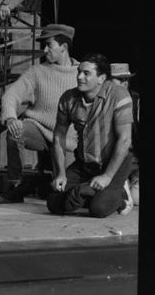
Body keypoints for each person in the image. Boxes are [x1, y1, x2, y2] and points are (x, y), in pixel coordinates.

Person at [0, 23, 79, 204]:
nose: (44, 49)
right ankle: (15, 186)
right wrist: (10, 117)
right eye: (43, 45)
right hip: (39, 129)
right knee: (16, 132)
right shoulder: (37, 71)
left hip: (68, 140)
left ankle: (40, 183)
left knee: (66, 191)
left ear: (64, 48)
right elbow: (11, 95)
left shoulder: (81, 74)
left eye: (49, 45)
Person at [47, 53, 134, 218]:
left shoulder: (119, 95)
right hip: (84, 165)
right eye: (79, 71)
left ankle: (121, 197)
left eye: (86, 73)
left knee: (99, 209)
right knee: (53, 203)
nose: (79, 77)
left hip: (113, 164)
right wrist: (61, 173)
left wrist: (107, 176)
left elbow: (125, 139)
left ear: (101, 78)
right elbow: (59, 136)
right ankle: (88, 191)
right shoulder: (69, 98)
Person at [110, 62, 139, 206]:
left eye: (126, 80)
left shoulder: (137, 101)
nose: (124, 84)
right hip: (112, 161)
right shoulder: (103, 103)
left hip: (134, 161)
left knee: (137, 197)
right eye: (119, 80)